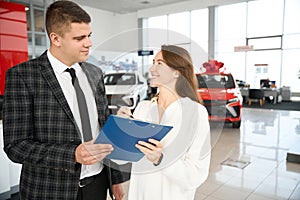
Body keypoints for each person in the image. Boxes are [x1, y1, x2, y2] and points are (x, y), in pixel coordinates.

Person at [3, 1, 127, 199]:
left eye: (89, 36)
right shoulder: (23, 76)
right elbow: (16, 146)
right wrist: (72, 154)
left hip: (98, 183)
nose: (89, 43)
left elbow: (104, 127)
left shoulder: (94, 73)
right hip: (49, 190)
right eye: (79, 38)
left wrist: (116, 178)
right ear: (56, 38)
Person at [118, 45, 211, 200]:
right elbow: (120, 158)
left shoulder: (195, 113)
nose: (152, 68)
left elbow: (197, 173)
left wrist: (160, 159)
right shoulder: (143, 108)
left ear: (177, 72)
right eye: (153, 62)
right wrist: (120, 127)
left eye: (159, 63)